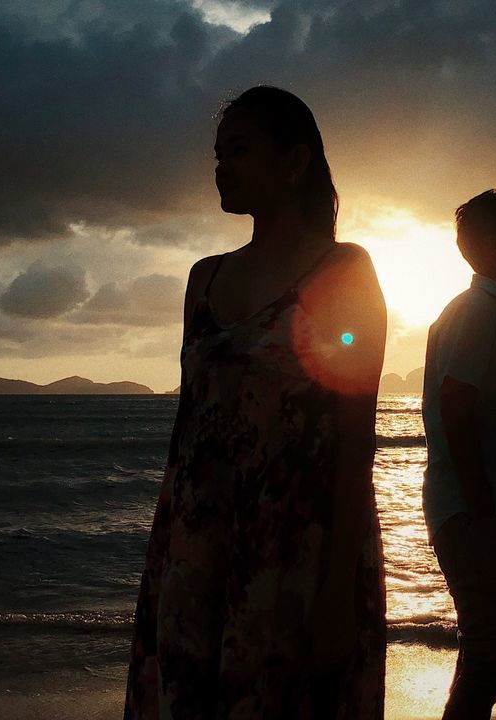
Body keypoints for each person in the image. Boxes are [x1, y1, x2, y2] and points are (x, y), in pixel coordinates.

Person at [124, 86, 387, 719]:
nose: (222, 167)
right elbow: (188, 432)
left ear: (295, 162)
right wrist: (164, 568)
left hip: (295, 552)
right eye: (217, 155)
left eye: (239, 151)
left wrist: (334, 596)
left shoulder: (344, 273)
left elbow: (355, 443)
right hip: (194, 548)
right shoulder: (203, 279)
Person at [421, 187, 496, 719]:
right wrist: (484, 514)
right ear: (494, 245)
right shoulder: (476, 313)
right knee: (490, 656)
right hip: (475, 518)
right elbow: (455, 407)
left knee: (483, 655)